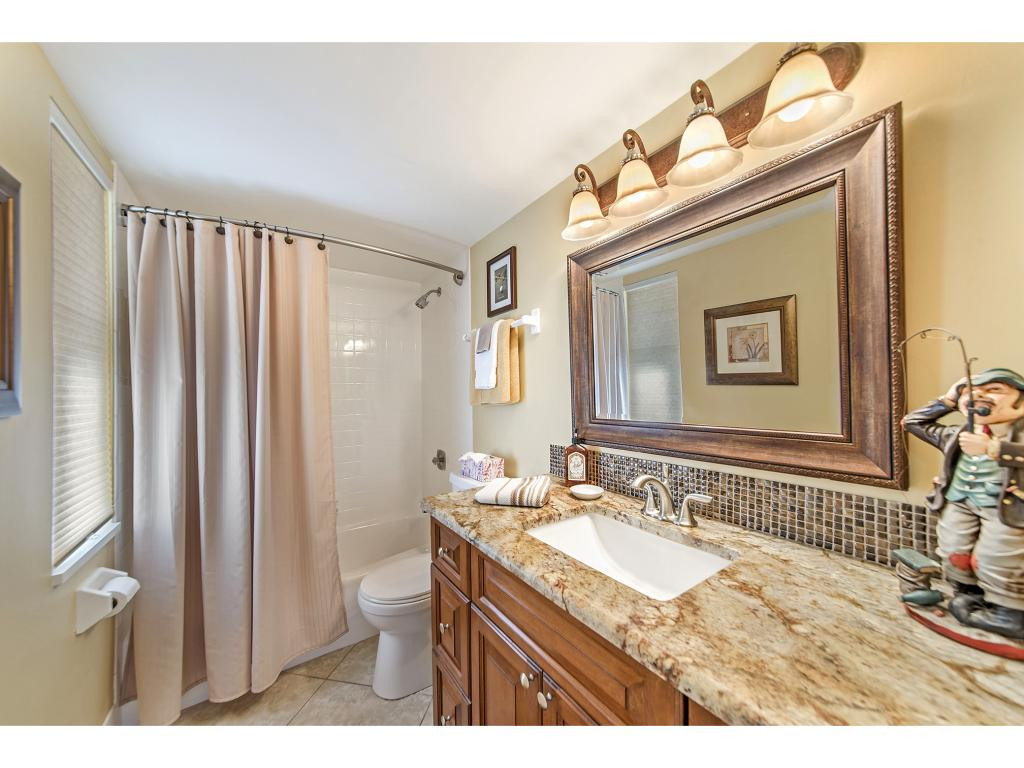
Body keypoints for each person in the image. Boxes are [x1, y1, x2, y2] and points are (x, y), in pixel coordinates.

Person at [903, 368, 1024, 639]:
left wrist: (993, 448)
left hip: (1009, 510)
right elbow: (912, 422)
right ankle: (969, 593)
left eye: (995, 390)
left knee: (998, 557)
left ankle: (1010, 614)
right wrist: (947, 399)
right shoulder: (957, 436)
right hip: (959, 502)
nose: (980, 395)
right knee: (954, 550)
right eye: (972, 391)